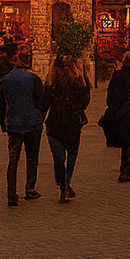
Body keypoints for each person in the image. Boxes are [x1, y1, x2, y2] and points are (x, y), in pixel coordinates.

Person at [0, 50, 46, 206]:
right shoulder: (33, 78)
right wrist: (40, 117)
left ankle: (12, 193)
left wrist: (3, 122)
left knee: (13, 160)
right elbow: (40, 100)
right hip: (32, 123)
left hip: (14, 124)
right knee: (32, 157)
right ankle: (30, 188)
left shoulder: (6, 79)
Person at [43, 56, 91, 203]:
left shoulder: (51, 85)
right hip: (72, 124)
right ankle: (66, 183)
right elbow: (85, 101)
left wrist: (40, 119)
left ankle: (62, 182)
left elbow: (44, 103)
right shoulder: (78, 83)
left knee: (58, 158)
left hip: (54, 124)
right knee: (71, 157)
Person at [100, 51, 130, 182]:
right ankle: (126, 169)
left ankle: (126, 169)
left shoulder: (118, 75)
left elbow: (111, 94)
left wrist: (112, 107)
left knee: (126, 140)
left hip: (121, 110)